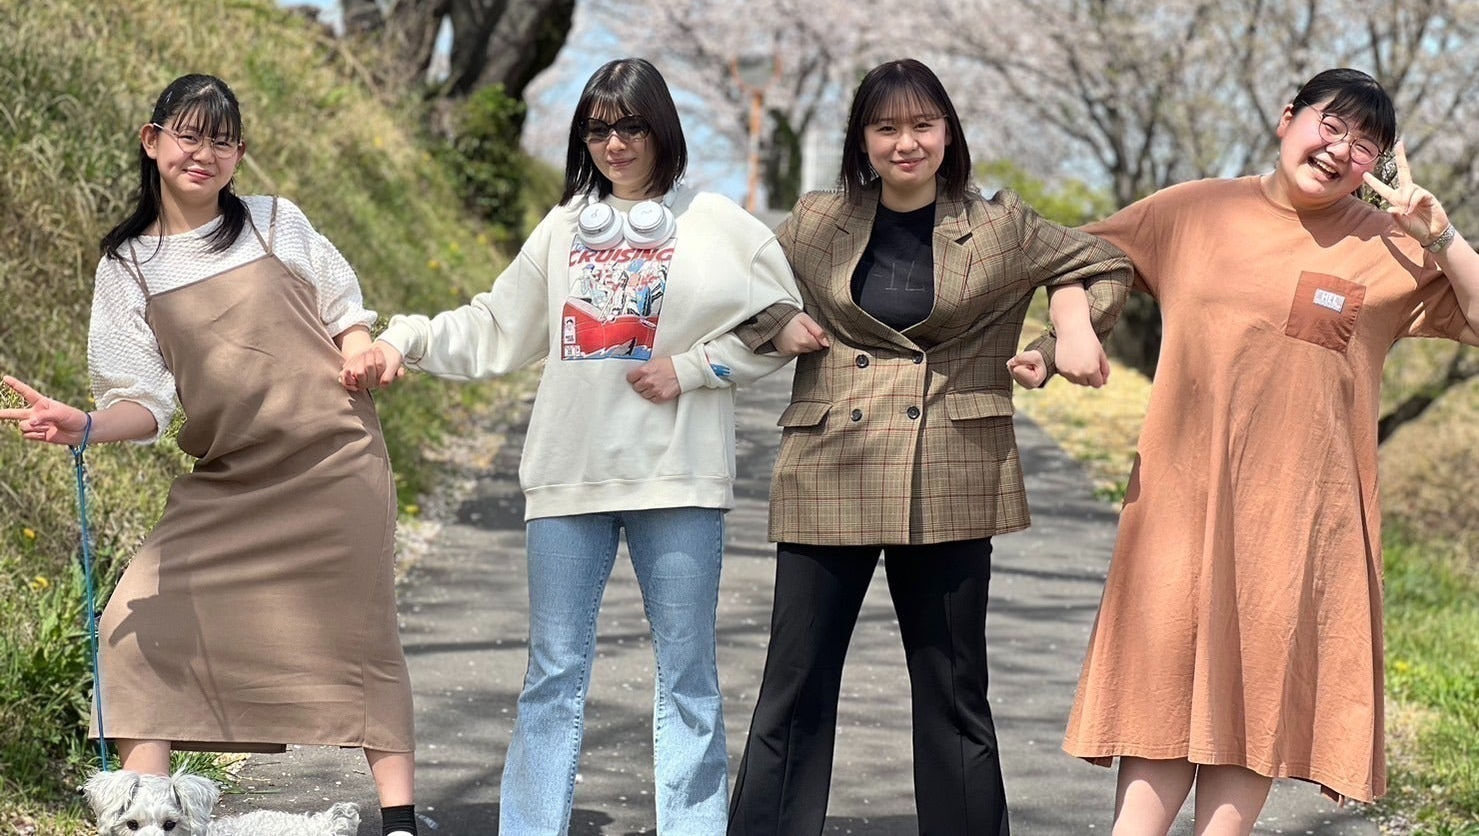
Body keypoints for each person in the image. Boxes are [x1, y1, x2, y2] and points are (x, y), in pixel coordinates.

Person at [342, 57, 807, 835]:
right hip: (567, 479)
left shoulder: (719, 223)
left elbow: (785, 324)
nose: (614, 143)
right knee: (551, 674)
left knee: (687, 677)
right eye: (596, 129)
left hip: (677, 479)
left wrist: (693, 368)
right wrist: (405, 339)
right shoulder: (562, 228)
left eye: (630, 126)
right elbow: (495, 326)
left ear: (661, 127)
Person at [1033, 67, 1479, 835]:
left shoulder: (1390, 247)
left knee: (1254, 701)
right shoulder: (1194, 210)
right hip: (1179, 504)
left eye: (1364, 144)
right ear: (1286, 117)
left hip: (1298, 522)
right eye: (1329, 125)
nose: (1339, 150)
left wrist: (1438, 235)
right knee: (1161, 693)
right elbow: (1070, 257)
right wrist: (1066, 335)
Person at [0, 75, 419, 836]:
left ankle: (400, 820)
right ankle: (147, 813)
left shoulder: (274, 222)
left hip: (336, 460)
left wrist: (360, 347)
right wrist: (85, 424)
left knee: (360, 636)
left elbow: (344, 309)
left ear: (240, 154)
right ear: (151, 140)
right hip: (229, 475)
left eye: (222, 141)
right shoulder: (128, 264)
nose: (204, 153)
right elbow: (145, 402)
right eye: (189, 135)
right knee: (132, 624)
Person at [725, 58, 1133, 836]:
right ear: (861, 140)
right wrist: (776, 323)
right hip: (829, 465)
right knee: (793, 686)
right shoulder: (816, 220)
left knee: (952, 693)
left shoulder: (1000, 226)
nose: (904, 142)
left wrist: (1058, 340)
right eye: (885, 127)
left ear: (948, 132)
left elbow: (1104, 262)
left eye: (921, 124)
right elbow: (736, 286)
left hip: (949, 468)